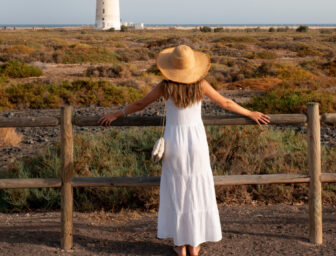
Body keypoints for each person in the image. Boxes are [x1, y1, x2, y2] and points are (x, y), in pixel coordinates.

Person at [98, 44, 270, 256]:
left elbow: (141, 104)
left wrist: (117, 114)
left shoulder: (165, 86)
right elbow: (225, 103)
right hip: (196, 141)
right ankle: (194, 243)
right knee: (197, 188)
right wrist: (249, 112)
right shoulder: (201, 85)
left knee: (177, 190)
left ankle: (181, 244)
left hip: (175, 141)